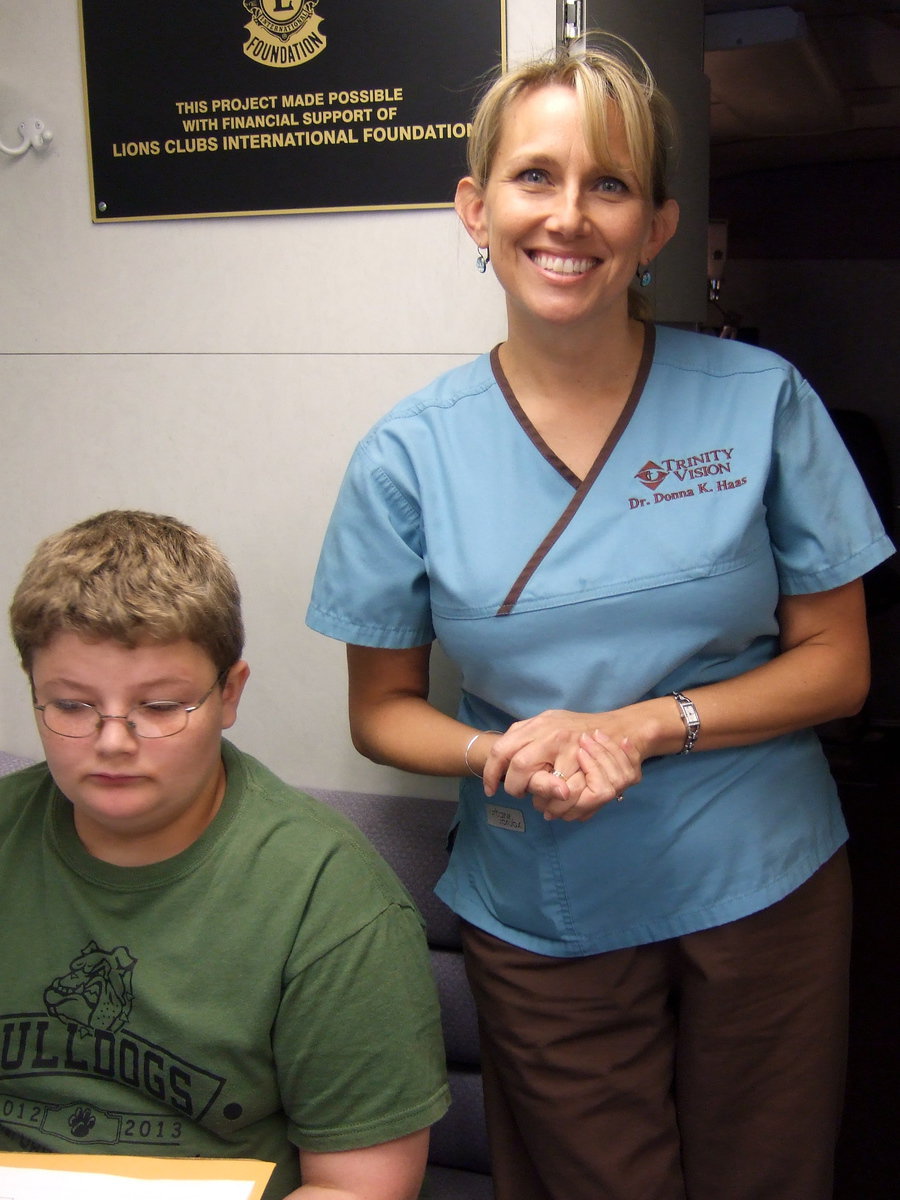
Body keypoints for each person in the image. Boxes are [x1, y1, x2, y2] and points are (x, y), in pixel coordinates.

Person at [305, 35, 896, 1200]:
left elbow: (839, 668)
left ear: (658, 226)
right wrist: (496, 749)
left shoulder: (760, 401)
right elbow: (381, 712)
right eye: (534, 177)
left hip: (762, 881)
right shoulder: (407, 457)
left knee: (766, 1179)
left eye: (609, 184)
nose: (567, 216)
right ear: (474, 209)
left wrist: (639, 726)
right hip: (543, 897)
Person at [0, 510, 449, 1200]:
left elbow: (359, 1188)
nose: (113, 740)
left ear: (228, 694)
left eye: (158, 706)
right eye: (71, 704)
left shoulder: (328, 897)